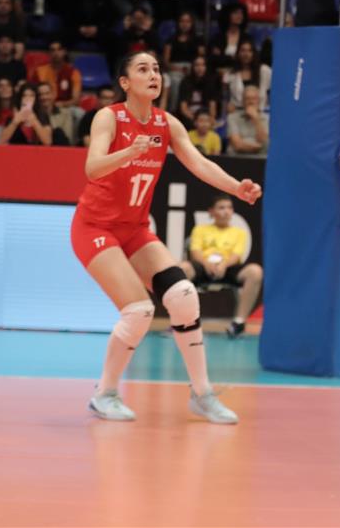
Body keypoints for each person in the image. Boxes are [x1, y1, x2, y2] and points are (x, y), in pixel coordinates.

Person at [73, 50, 261, 424]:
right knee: (139, 310)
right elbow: (92, 168)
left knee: (184, 296)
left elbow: (199, 163)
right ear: (125, 82)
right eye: (143, 69)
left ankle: (202, 395)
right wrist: (129, 152)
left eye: (157, 69)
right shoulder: (109, 117)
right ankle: (104, 393)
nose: (153, 75)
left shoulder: (166, 123)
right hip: (95, 228)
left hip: (134, 229)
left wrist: (236, 188)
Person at [181, 196, 264, 338]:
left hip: (228, 268)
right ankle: (182, 320)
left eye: (229, 208)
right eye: (221, 207)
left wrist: (223, 265)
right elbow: (195, 252)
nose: (226, 211)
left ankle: (238, 322)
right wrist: (207, 264)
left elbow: (237, 255)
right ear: (211, 212)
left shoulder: (239, 233)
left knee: (255, 271)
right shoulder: (200, 229)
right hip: (204, 266)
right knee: (182, 268)